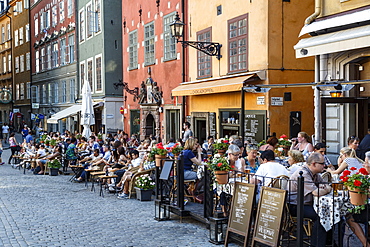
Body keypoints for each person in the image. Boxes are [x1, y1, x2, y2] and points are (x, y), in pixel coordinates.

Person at [289, 152, 332, 247]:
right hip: (296, 206)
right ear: (313, 164)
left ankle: (328, 242)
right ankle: (317, 245)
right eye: (322, 163)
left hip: (307, 203)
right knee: (321, 216)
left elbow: (326, 185)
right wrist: (326, 189)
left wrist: (326, 188)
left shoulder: (315, 173)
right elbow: (316, 192)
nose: (324, 166)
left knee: (330, 212)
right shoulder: (303, 173)